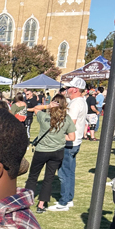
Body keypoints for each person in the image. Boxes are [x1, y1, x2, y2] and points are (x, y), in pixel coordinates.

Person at [24, 94, 76, 213]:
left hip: (41, 151)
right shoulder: (67, 119)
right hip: (57, 152)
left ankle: (26, 202)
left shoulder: (44, 116)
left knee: (33, 176)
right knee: (49, 178)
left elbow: (36, 108)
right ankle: (41, 205)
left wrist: (47, 106)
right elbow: (72, 137)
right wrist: (60, 137)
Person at [48, 77, 87, 212]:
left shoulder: (76, 104)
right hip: (75, 141)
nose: (66, 90)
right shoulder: (81, 101)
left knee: (64, 173)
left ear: (75, 89)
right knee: (69, 172)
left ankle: (64, 201)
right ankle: (68, 199)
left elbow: (71, 123)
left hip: (69, 142)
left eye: (69, 88)